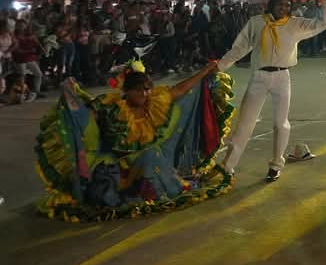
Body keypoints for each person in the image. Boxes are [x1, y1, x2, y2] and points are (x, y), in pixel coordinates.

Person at [34, 60, 231, 221]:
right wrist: (72, 97)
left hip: (146, 159)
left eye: (146, 89)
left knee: (151, 155)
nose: (144, 94)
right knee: (105, 191)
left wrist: (204, 71)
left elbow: (180, 89)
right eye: (138, 90)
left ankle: (158, 189)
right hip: (117, 162)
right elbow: (85, 117)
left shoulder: (155, 103)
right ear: (127, 91)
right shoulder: (112, 107)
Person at [215, 0, 326, 183]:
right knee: (244, 124)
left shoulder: (295, 24)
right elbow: (240, 48)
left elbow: (322, 23)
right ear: (271, 5)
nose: (283, 8)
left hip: (282, 77)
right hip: (259, 77)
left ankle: (276, 165)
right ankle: (228, 166)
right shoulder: (257, 22)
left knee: (280, 124)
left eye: (287, 5)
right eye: (280, 4)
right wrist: (219, 66)